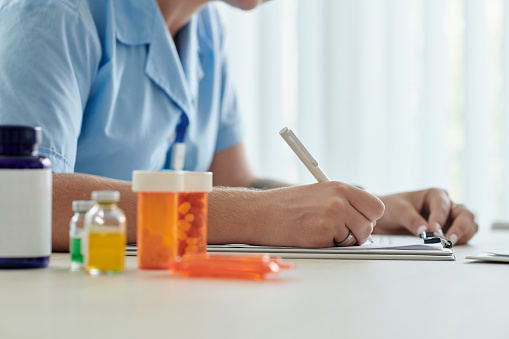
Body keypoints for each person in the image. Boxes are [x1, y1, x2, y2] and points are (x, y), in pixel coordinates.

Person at [0, 0, 477, 251]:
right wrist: (259, 215)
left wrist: (368, 207)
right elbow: (16, 202)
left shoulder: (205, 32)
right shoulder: (53, 13)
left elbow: (239, 184)